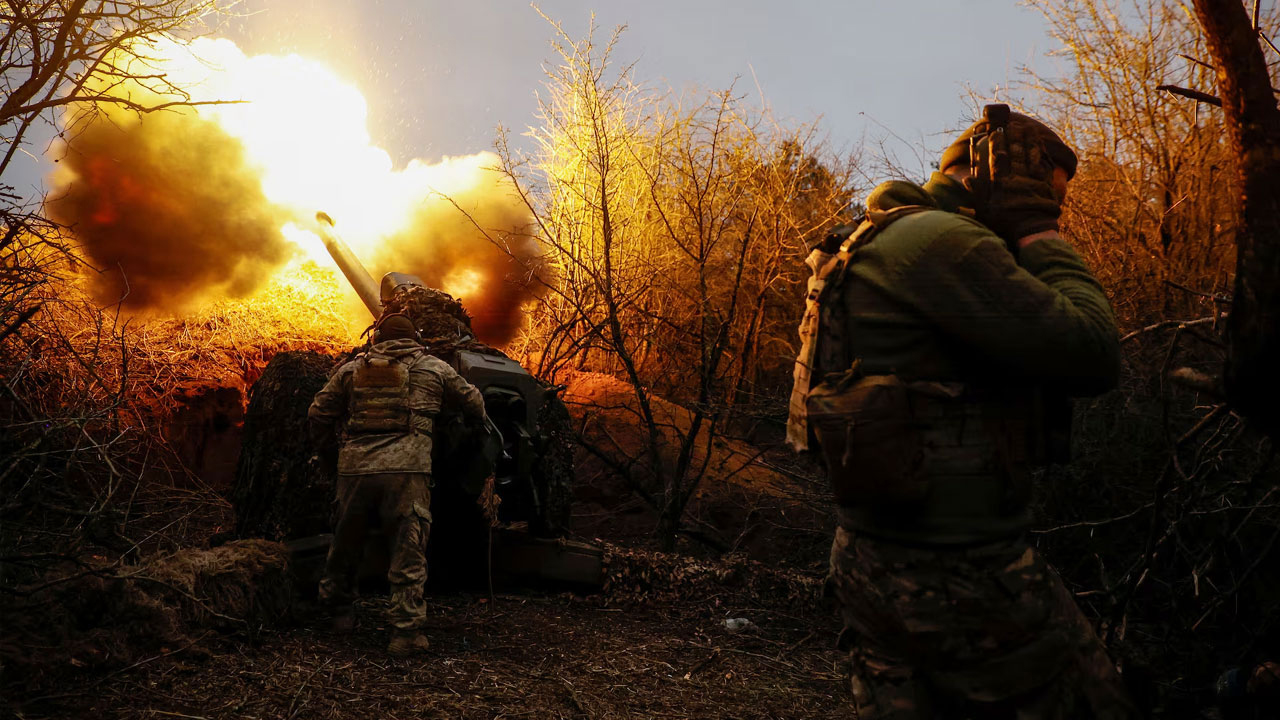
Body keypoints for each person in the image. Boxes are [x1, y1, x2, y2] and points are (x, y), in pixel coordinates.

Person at [789, 111, 1141, 717]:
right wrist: (1038, 232)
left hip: (871, 554)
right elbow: (1092, 352)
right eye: (1051, 194)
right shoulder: (943, 243)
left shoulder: (878, 236)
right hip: (956, 570)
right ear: (1001, 177)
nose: (1059, 212)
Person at [309, 312, 487, 655]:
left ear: (377, 338)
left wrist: (331, 456)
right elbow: (475, 403)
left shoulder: (351, 370)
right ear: (414, 337)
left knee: (346, 543)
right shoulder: (434, 368)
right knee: (408, 548)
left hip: (355, 471)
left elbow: (318, 414)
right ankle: (404, 634)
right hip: (407, 471)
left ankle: (338, 615)